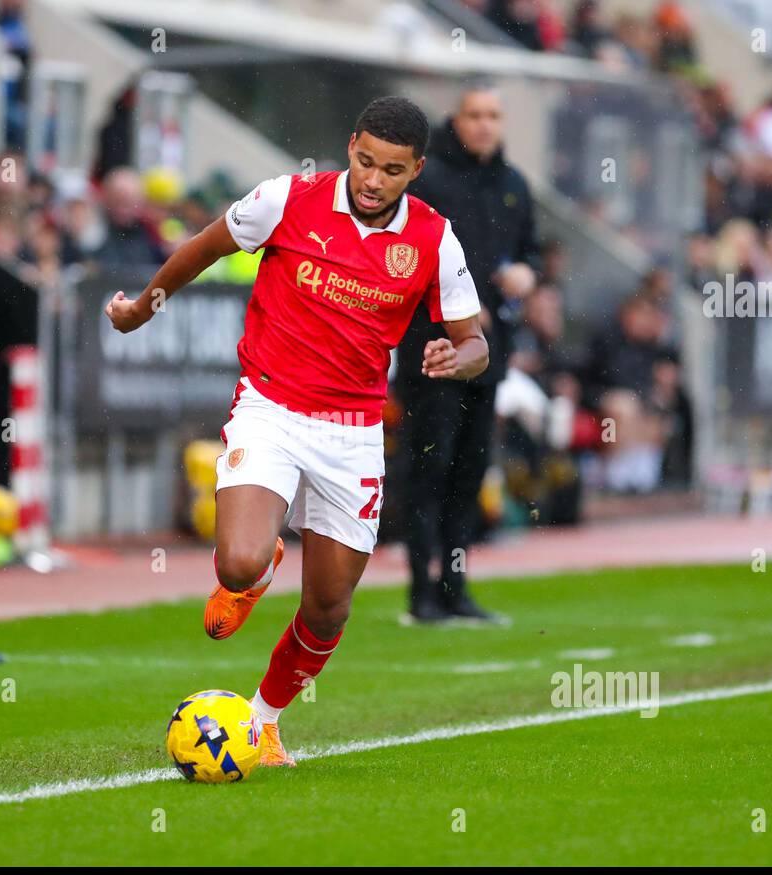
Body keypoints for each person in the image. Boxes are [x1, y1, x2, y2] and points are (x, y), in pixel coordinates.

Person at [105, 97, 487, 767]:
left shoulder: (434, 238)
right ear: (349, 146)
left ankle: (265, 722)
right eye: (364, 161)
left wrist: (460, 359)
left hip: (354, 432)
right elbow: (202, 247)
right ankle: (254, 567)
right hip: (272, 409)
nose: (372, 180)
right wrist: (142, 308)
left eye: (391, 170)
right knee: (238, 561)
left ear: (416, 169)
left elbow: (475, 340)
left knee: (330, 608)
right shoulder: (287, 199)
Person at [397, 83, 537, 624]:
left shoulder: (513, 185)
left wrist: (528, 272)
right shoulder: (428, 180)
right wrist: (454, 310)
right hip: (432, 348)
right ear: (455, 119)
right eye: (474, 114)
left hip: (490, 351)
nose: (483, 125)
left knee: (470, 472)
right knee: (428, 469)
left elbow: (527, 251)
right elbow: (403, 257)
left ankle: (455, 587)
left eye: (493, 115)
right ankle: (420, 593)